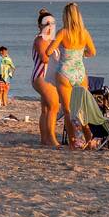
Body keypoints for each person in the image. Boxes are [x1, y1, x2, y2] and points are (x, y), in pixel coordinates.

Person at [47, 2, 97, 150]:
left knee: (68, 111)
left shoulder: (63, 32)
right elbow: (92, 52)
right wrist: (82, 54)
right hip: (80, 72)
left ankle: (73, 142)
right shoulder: (84, 33)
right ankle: (88, 140)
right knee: (82, 110)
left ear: (66, 17)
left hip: (65, 72)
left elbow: (49, 51)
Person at [32, 10, 61, 146]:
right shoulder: (40, 40)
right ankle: (52, 139)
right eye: (47, 24)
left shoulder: (52, 40)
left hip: (47, 77)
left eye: (52, 23)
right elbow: (44, 58)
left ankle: (44, 140)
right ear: (40, 25)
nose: (50, 26)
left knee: (45, 109)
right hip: (42, 76)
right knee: (54, 106)